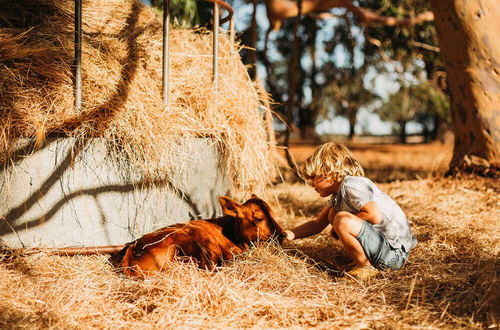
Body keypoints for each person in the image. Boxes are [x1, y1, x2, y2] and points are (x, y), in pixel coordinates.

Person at [284, 142, 417, 281]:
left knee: (342, 220)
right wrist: (287, 234)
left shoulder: (351, 184)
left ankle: (365, 266)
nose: (311, 183)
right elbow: (317, 224)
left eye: (313, 177)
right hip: (384, 250)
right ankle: (367, 263)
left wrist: (339, 225)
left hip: (394, 254)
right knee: (336, 217)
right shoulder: (338, 196)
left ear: (328, 172)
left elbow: (373, 215)